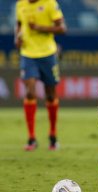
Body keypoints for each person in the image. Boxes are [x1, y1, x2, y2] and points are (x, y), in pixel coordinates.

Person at [14, 0, 66, 151]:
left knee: (50, 95)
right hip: (27, 54)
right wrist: (16, 37)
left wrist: (38, 28)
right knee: (30, 93)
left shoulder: (50, 3)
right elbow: (18, 23)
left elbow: (62, 28)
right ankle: (31, 138)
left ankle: (53, 135)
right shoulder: (20, 4)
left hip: (47, 54)